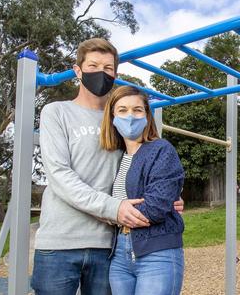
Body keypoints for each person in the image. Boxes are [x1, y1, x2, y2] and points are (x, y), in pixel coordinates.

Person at [32, 38, 183, 295]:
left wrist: (168, 198)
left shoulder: (119, 122)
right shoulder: (56, 112)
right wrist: (115, 208)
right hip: (60, 240)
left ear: (115, 73)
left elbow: (140, 169)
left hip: (108, 244)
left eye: (109, 68)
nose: (101, 72)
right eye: (93, 65)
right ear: (78, 71)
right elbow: (59, 174)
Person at [100, 86, 185, 295]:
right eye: (122, 110)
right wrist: (113, 210)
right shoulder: (116, 157)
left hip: (157, 252)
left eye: (137, 110)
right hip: (119, 253)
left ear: (147, 115)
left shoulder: (161, 149)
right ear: (112, 116)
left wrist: (109, 212)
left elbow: (155, 208)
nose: (130, 116)